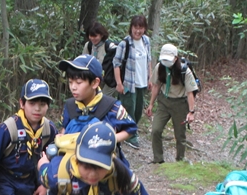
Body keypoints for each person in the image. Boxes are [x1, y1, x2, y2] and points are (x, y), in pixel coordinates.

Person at [59, 54, 138, 195]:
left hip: (107, 171)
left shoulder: (111, 106)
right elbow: (65, 130)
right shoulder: (69, 107)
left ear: (95, 83)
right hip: (79, 170)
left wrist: (111, 139)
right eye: (70, 81)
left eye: (79, 82)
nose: (73, 87)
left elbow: (130, 129)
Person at [145, 44, 197, 164]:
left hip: (180, 104)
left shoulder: (185, 71)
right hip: (164, 102)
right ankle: (158, 159)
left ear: (175, 58)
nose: (166, 62)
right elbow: (156, 85)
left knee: (180, 135)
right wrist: (151, 104)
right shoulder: (159, 67)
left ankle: (180, 160)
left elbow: (190, 92)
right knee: (156, 130)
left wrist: (191, 112)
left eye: (168, 60)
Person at [113, 15, 152, 149]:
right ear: (131, 28)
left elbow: (149, 60)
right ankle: (131, 135)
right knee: (129, 108)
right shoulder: (125, 44)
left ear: (144, 29)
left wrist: (150, 78)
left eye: (141, 28)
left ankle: (129, 130)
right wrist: (119, 83)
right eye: (136, 27)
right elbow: (116, 64)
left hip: (142, 82)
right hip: (128, 83)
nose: (138, 31)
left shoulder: (146, 41)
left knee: (138, 109)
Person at [82, 21, 119, 98]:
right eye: (90, 36)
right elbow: (83, 62)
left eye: (95, 36)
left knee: (102, 99)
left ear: (101, 35)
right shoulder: (88, 46)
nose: (92, 38)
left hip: (108, 80)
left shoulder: (110, 46)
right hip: (94, 79)